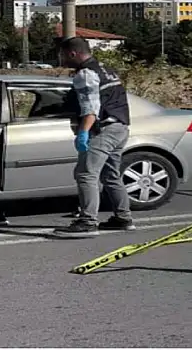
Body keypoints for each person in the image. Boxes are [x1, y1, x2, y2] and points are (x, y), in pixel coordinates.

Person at [52, 37, 135, 238]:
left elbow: (91, 108)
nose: (61, 59)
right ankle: (123, 218)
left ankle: (87, 221)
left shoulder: (86, 74)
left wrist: (83, 132)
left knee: (86, 174)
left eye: (63, 55)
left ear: (72, 53)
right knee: (110, 174)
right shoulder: (105, 69)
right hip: (120, 127)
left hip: (103, 130)